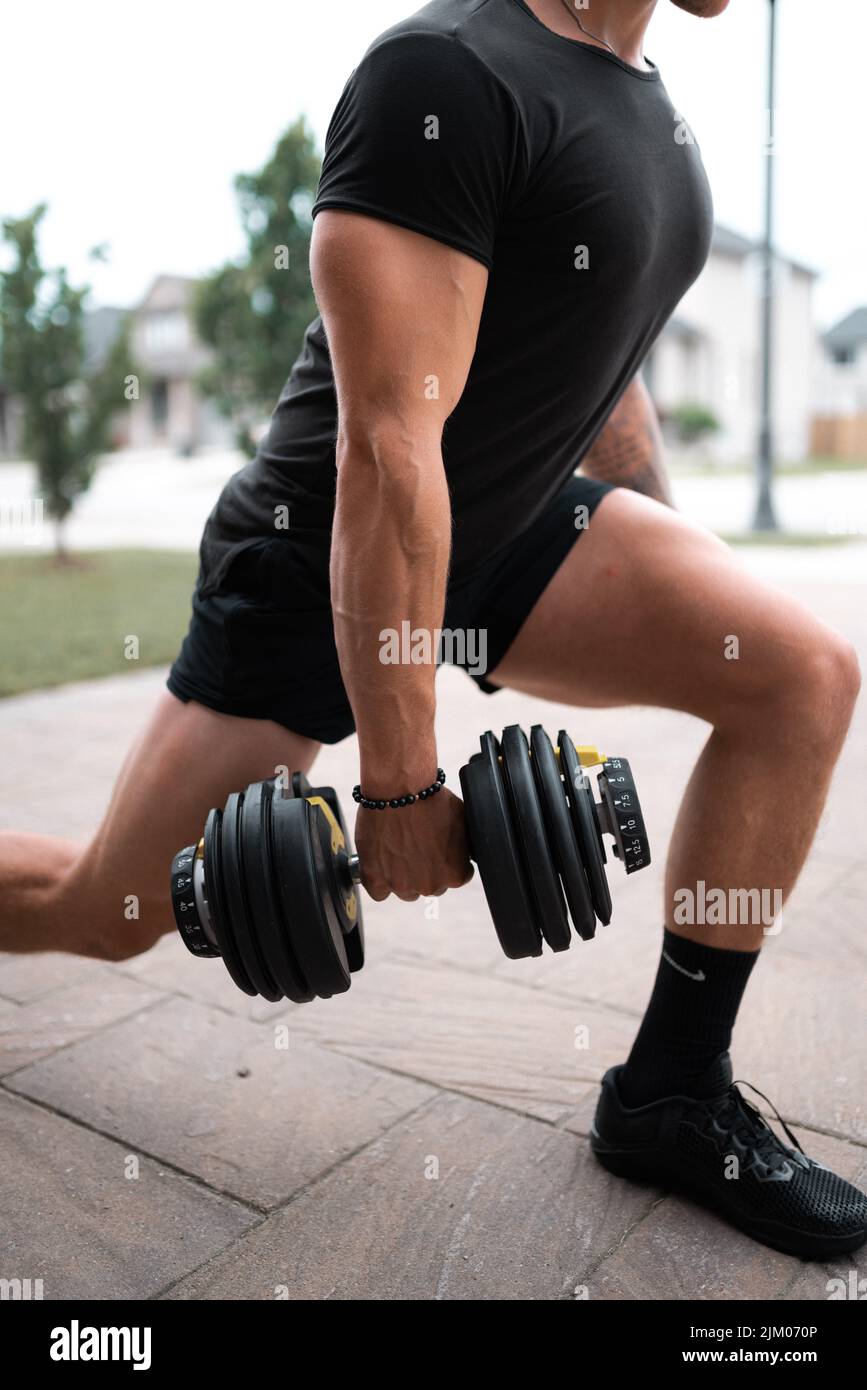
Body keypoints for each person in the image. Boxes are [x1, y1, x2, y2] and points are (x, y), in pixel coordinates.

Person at [1, 0, 864, 1258]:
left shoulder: (650, 106)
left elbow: (598, 351)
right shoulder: (448, 75)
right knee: (117, 906)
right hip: (314, 565)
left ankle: (672, 1094)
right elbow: (389, 453)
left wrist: (675, 561)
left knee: (799, 675)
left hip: (509, 535)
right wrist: (401, 789)